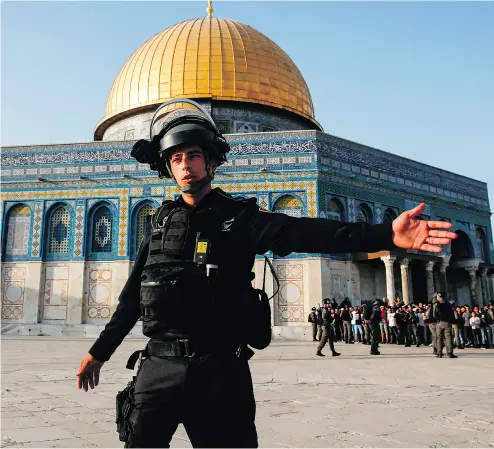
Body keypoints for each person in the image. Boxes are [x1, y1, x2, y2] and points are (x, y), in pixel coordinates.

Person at [75, 99, 457, 448]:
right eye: (176, 158)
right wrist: (99, 352)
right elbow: (131, 299)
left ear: (211, 162)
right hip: (158, 367)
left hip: (219, 371)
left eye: (193, 155)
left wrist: (386, 234)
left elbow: (306, 231)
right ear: (168, 166)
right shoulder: (159, 224)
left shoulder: (239, 219)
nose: (185, 165)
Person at [434, 293, 457, 358]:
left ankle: (439, 353)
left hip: (439, 323)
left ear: (440, 297)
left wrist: (437, 320)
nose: (437, 298)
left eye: (438, 297)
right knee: (448, 338)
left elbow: (435, 315)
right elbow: (451, 314)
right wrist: (452, 321)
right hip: (447, 322)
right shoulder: (449, 305)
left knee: (439, 338)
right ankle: (450, 352)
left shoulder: (437, 305)